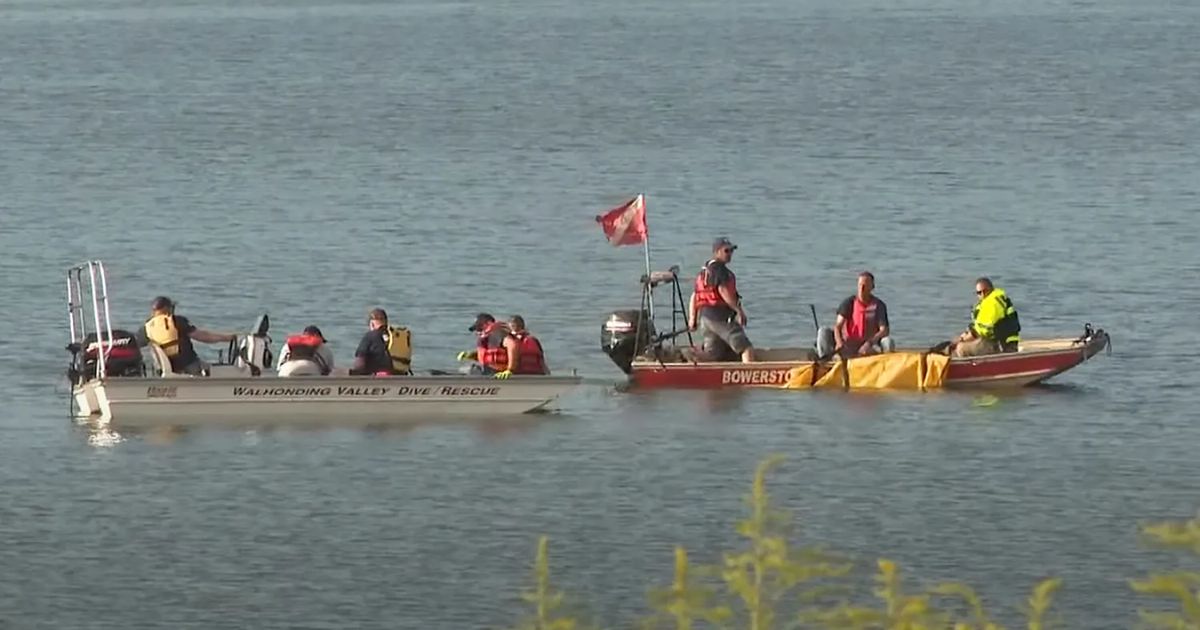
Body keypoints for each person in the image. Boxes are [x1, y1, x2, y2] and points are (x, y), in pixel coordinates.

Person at [687, 237, 755, 363]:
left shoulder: (705, 271)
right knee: (745, 348)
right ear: (717, 252)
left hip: (706, 319)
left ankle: (691, 357)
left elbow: (695, 296)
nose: (730, 254)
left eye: (731, 251)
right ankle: (750, 374)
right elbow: (724, 292)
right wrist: (739, 311)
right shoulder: (720, 270)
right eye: (726, 251)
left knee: (713, 355)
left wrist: (693, 318)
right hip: (721, 318)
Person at [142, 296, 237, 375]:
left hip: (165, 370)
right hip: (189, 366)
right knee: (222, 371)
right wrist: (227, 338)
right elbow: (203, 337)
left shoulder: (146, 328)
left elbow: (136, 344)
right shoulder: (177, 321)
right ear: (167, 309)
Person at [825, 271, 895, 358]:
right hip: (848, 344)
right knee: (823, 332)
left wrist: (869, 343)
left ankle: (886, 365)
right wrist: (839, 342)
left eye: (865, 286)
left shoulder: (878, 305)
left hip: (869, 344)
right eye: (860, 285)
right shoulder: (849, 303)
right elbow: (838, 326)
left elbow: (884, 330)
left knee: (888, 341)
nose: (861, 288)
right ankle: (824, 363)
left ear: (872, 287)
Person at [951, 277, 1021, 357]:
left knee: (961, 348)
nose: (983, 294)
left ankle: (971, 368)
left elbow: (982, 330)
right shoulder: (986, 303)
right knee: (956, 346)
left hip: (1003, 345)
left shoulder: (993, 302)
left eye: (985, 291)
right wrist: (962, 336)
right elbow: (977, 326)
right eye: (979, 293)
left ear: (991, 289)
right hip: (996, 342)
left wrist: (962, 340)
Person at [457, 313, 521, 378]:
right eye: (476, 330)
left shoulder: (502, 334)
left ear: (489, 324)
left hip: (499, 373)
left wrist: (510, 370)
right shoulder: (486, 340)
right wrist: (471, 356)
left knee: (470, 370)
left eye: (480, 329)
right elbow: (487, 357)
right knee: (466, 369)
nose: (478, 332)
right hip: (487, 370)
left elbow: (512, 347)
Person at [350, 308, 412, 375]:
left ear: (372, 324)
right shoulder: (396, 336)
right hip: (402, 375)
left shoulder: (370, 336)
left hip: (381, 380)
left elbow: (359, 365)